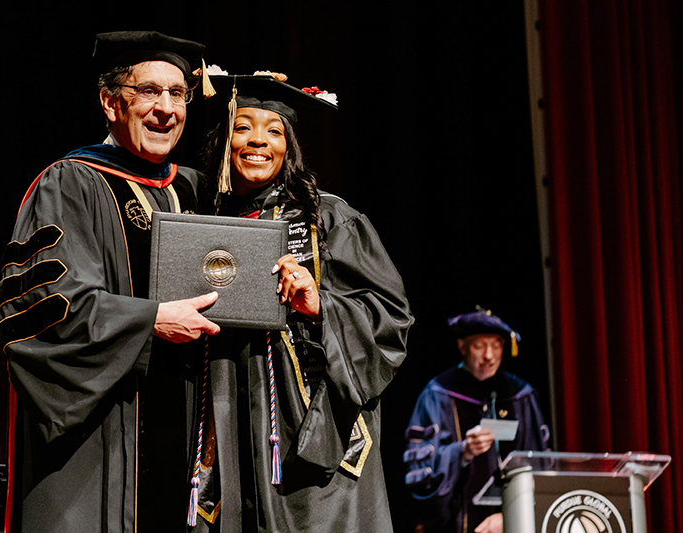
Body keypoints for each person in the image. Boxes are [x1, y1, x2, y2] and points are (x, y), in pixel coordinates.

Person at [0, 31, 221, 533]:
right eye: (148, 92)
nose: (166, 108)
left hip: (186, 447)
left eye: (178, 93)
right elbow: (49, 308)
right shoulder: (69, 183)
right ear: (110, 102)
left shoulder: (196, 190)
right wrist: (152, 321)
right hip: (98, 448)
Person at [187, 73, 414, 532]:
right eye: (243, 126)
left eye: (274, 131)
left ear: (288, 146)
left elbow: (392, 321)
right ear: (224, 138)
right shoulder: (198, 222)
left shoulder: (328, 217)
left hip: (309, 438)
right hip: (225, 427)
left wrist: (320, 306)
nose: (257, 141)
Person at [404, 309, 550, 533]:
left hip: (511, 523)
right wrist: (462, 452)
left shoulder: (521, 395)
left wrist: (508, 515)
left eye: (496, 345)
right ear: (462, 346)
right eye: (480, 346)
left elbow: (538, 465)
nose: (489, 356)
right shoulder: (438, 394)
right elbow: (420, 469)